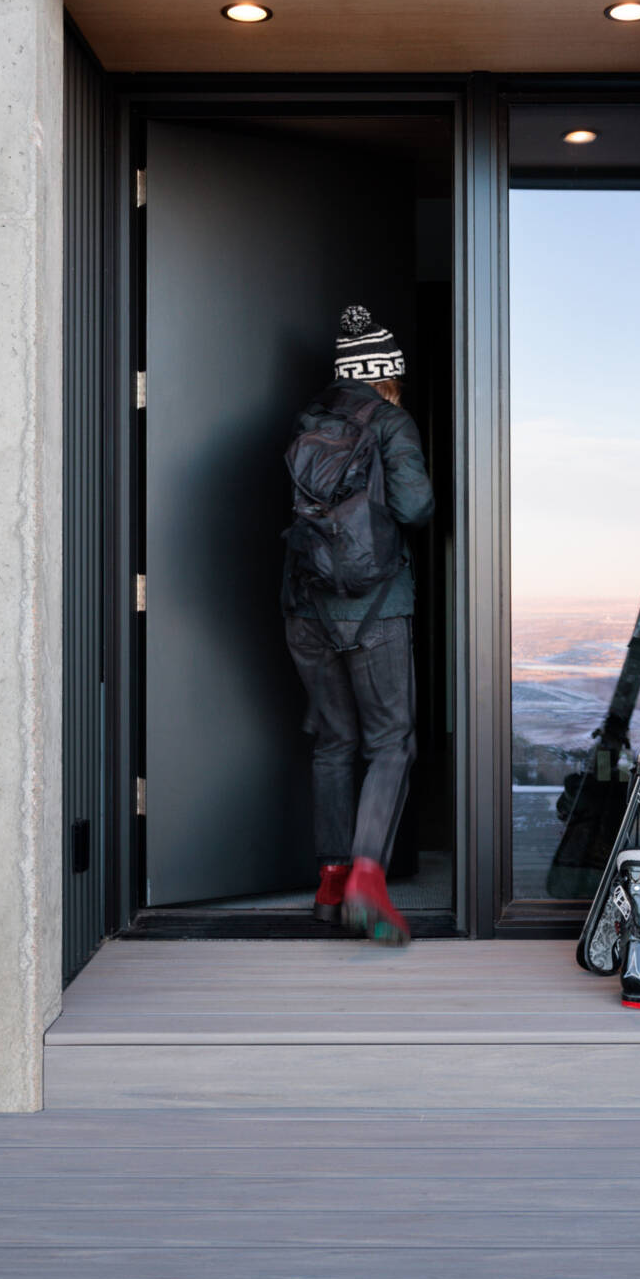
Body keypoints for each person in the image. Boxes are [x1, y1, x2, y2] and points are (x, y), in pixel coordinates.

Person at [284, 306, 434, 943]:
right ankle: (369, 880)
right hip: (376, 608)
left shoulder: (308, 422)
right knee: (391, 740)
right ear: (387, 376)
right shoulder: (392, 423)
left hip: (305, 607)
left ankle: (330, 880)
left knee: (333, 743)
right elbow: (415, 507)